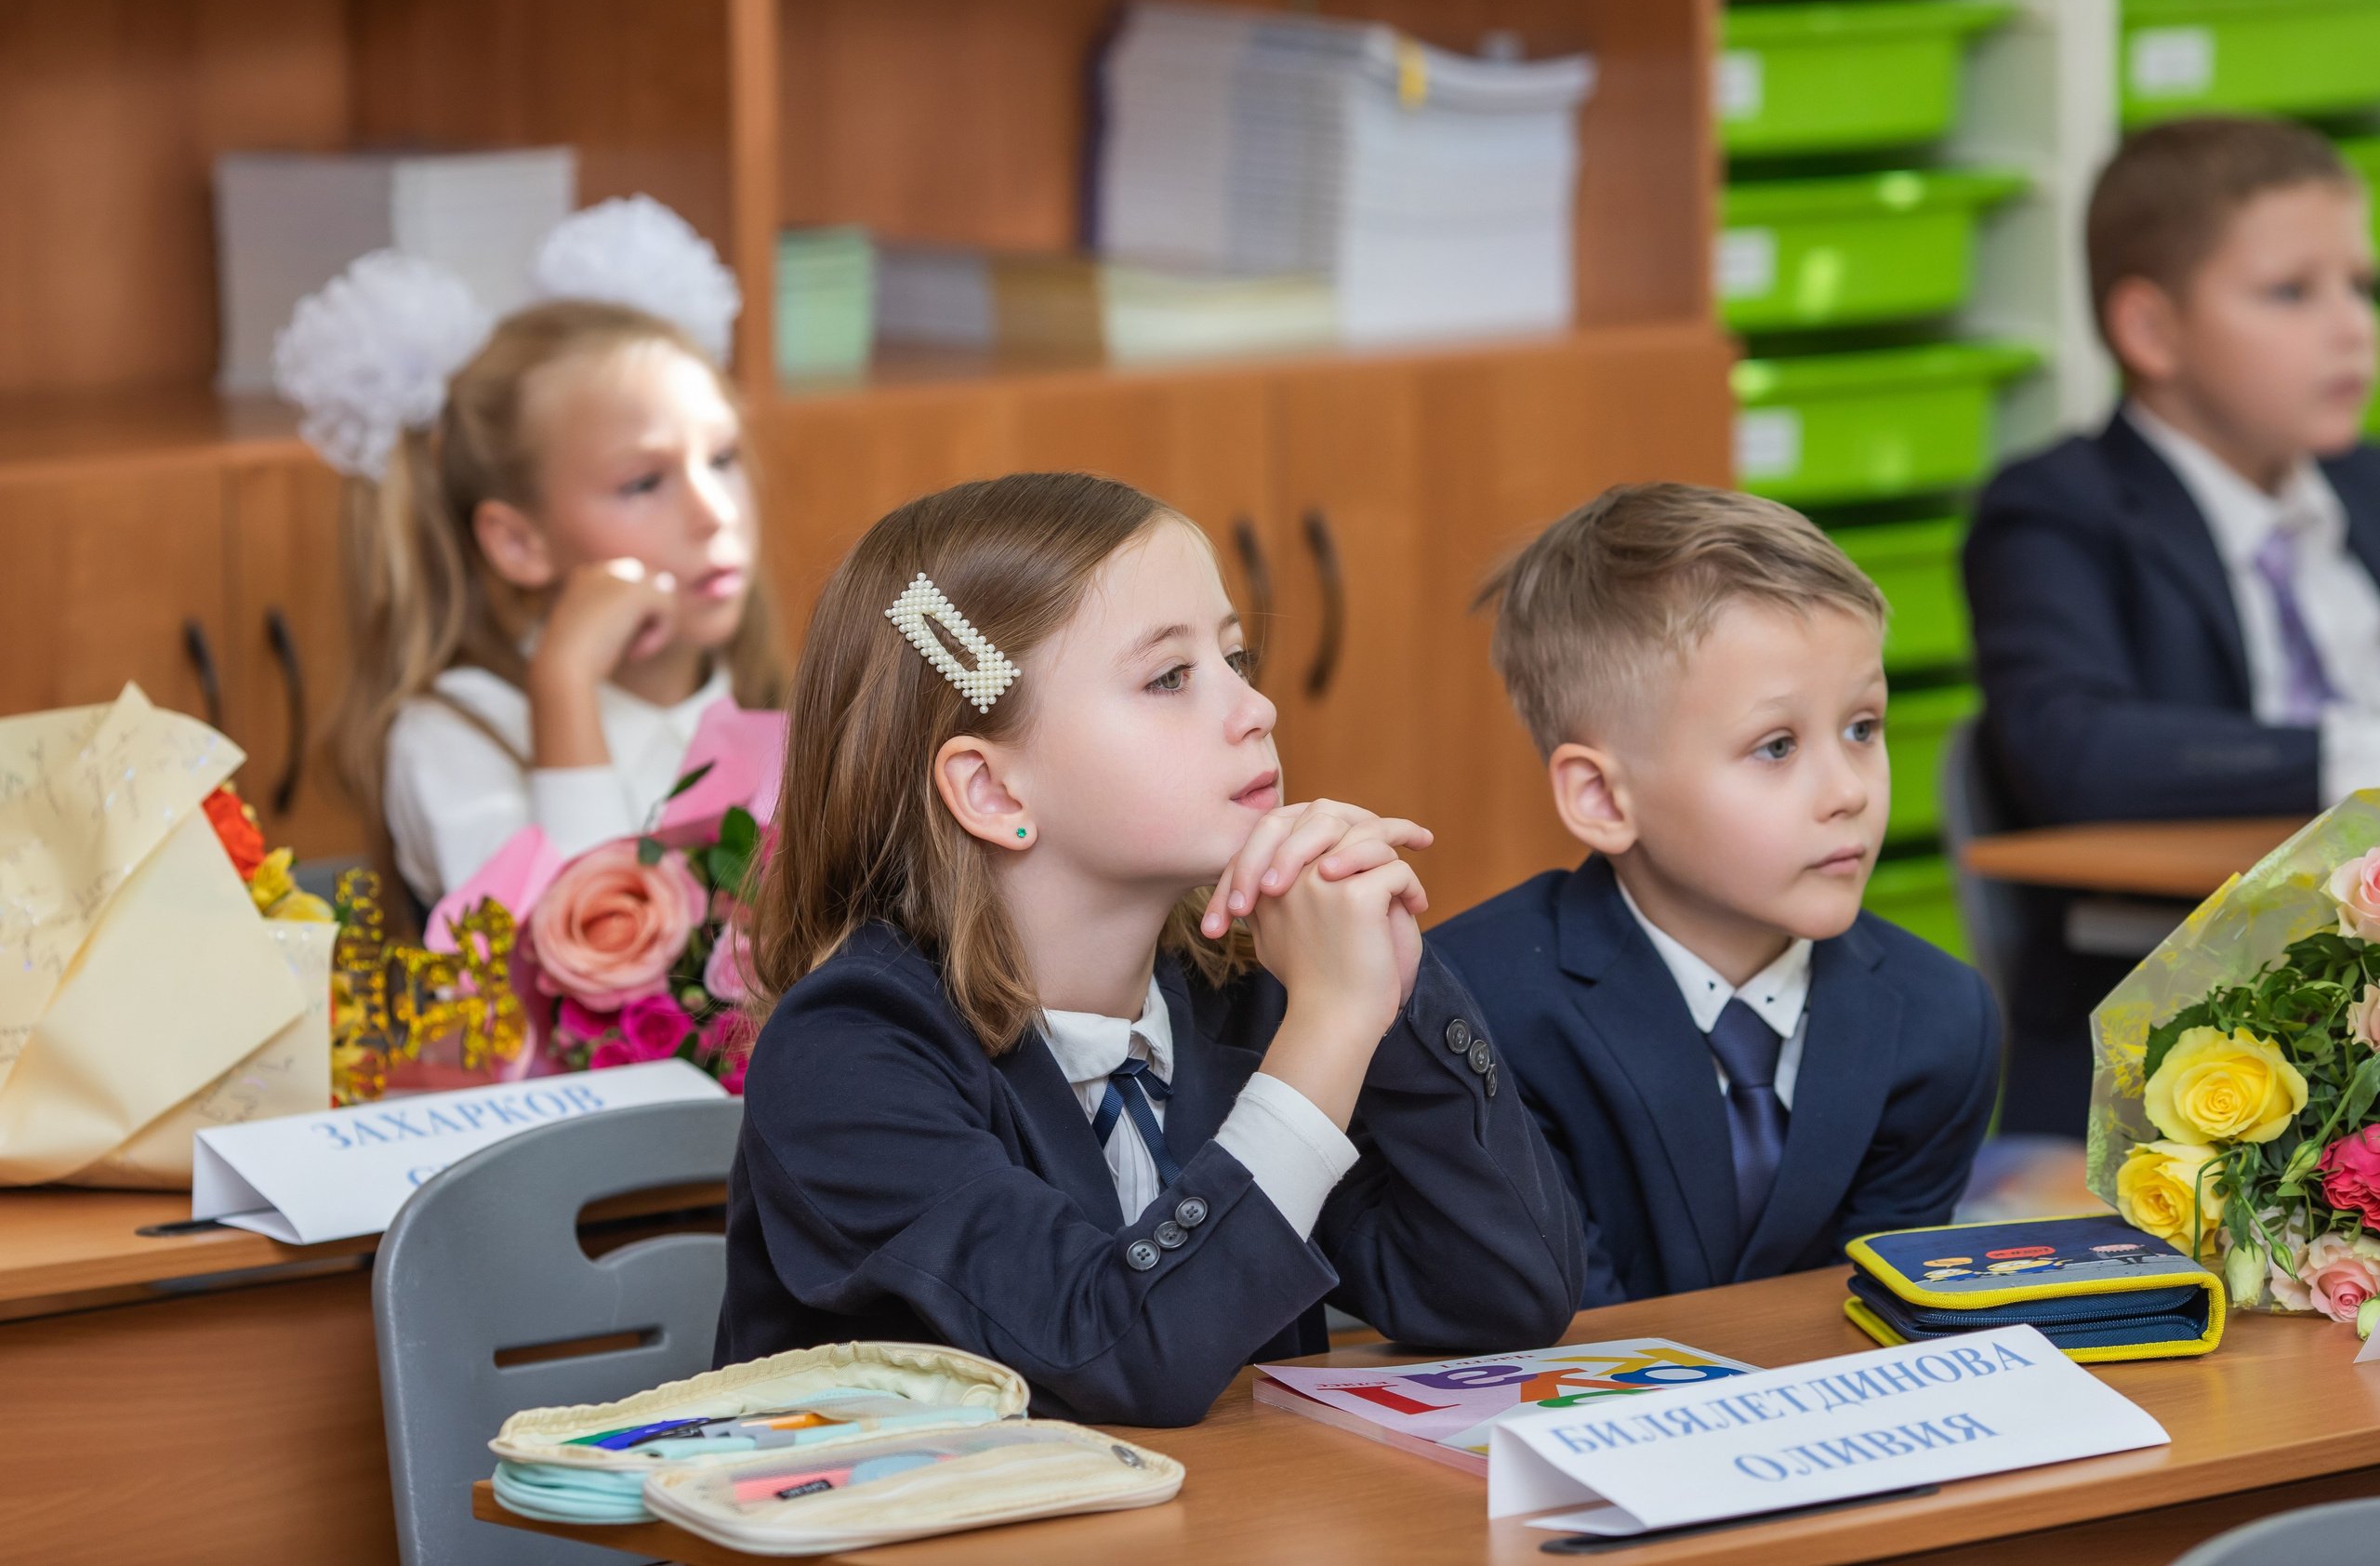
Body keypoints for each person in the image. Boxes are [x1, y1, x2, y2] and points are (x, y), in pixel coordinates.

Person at [715, 472, 1584, 1426]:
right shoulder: (849, 1056)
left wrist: (1391, 991)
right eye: (1170, 677)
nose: (1255, 710)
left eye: (1236, 659)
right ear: (994, 793)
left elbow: (1502, 1297)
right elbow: (1123, 1356)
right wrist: (1329, 1029)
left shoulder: (1241, 994)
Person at [1429, 483, 1999, 1305]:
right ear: (1602, 798)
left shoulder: (1941, 1020)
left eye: (1862, 728)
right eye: (1776, 746)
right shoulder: (1481, 1009)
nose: (1848, 790)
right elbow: (1573, 1333)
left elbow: (1877, 1317)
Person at [1964, 116, 2380, 1134]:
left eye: (2360, 287)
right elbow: (2071, 748)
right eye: (2290, 292)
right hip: (2176, 1048)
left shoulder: (2367, 485)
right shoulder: (2056, 509)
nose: (2351, 329)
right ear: (2149, 331)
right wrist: (2355, 756)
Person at [275, 199, 787, 913]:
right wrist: (566, 684)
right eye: (644, 482)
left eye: (723, 457)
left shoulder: (777, 702)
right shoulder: (453, 739)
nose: (715, 511)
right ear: (520, 542)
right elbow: (581, 990)